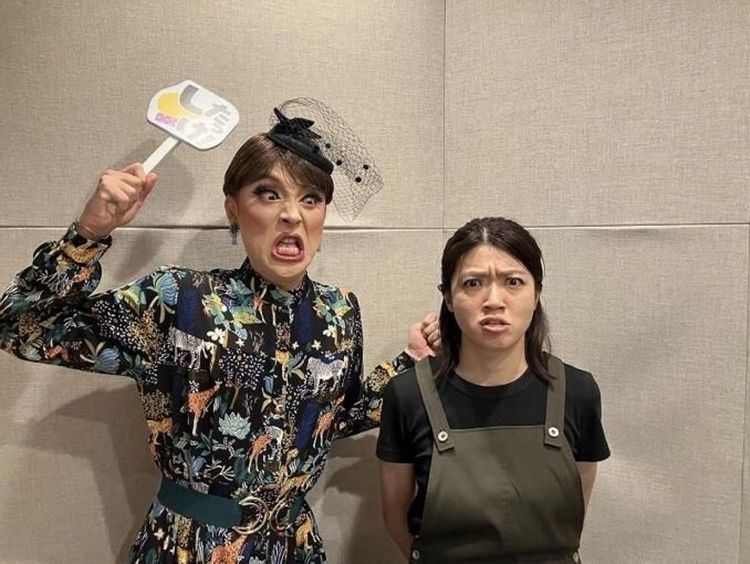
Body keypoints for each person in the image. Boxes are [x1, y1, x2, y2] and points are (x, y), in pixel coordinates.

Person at [0, 102, 438, 563]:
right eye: (268, 194)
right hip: (188, 547)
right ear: (233, 208)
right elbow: (18, 326)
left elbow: (333, 421)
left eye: (310, 199)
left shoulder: (339, 313)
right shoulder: (179, 300)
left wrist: (411, 362)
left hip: (293, 549)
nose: (292, 215)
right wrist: (89, 233)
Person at [377, 216, 610, 563]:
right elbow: (395, 517)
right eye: (473, 284)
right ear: (449, 298)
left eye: (513, 282)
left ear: (536, 294)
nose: (494, 300)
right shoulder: (408, 395)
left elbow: (573, 516)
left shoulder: (578, 392)